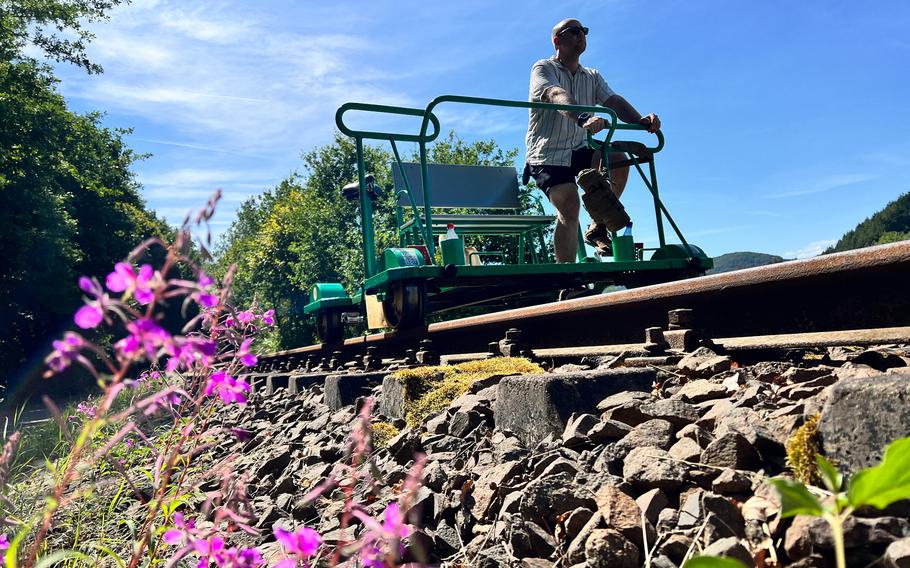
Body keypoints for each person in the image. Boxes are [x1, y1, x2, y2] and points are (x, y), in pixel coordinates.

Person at [526, 18, 661, 262]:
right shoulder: (544, 68)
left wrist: (641, 120)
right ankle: (567, 280)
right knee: (569, 204)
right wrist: (584, 118)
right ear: (557, 40)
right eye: (574, 31)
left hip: (579, 148)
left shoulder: (592, 76)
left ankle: (597, 226)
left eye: (584, 31)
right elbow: (556, 94)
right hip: (547, 153)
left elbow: (613, 101)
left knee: (617, 158)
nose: (581, 35)